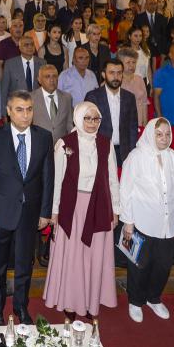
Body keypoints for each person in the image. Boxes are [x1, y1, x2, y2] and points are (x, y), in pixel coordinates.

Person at [0, 91, 54, 325]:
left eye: (29, 109)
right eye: (19, 109)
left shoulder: (44, 137)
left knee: (24, 265)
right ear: (9, 111)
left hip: (29, 214)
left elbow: (48, 178)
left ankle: (21, 306)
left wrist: (45, 212)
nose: (25, 114)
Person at [43, 102, 119, 319]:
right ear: (78, 118)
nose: (92, 123)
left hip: (99, 205)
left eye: (96, 119)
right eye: (88, 118)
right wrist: (54, 212)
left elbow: (112, 179)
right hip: (73, 208)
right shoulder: (64, 144)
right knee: (74, 258)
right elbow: (57, 181)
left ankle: (89, 302)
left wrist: (116, 210)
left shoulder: (106, 144)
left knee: (93, 257)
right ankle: (70, 302)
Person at [118, 118, 174, 323]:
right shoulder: (136, 157)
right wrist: (128, 221)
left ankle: (153, 298)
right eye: (159, 134)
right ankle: (135, 300)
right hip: (142, 222)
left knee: (163, 265)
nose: (164, 138)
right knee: (139, 264)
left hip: (168, 223)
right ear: (150, 134)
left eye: (167, 134)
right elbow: (125, 190)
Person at [86, 58, 141, 163]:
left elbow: (132, 128)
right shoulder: (93, 97)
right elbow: (87, 128)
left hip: (124, 152)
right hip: (99, 151)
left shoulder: (129, 97)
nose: (116, 77)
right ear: (103, 74)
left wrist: (132, 152)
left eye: (119, 73)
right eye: (111, 73)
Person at [32, 64, 74, 141]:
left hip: (61, 144)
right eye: (47, 76)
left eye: (54, 76)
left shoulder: (67, 97)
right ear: (39, 80)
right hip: (39, 143)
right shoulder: (31, 98)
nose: (52, 80)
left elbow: (69, 123)